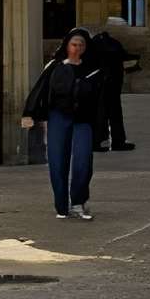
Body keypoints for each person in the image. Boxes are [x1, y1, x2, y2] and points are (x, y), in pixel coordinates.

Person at [21, 27, 102, 221]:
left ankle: (78, 202)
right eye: (74, 44)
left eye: (81, 45)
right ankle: (62, 206)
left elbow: (100, 99)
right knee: (57, 160)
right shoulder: (55, 66)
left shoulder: (93, 68)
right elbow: (40, 89)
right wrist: (29, 113)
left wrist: (102, 126)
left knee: (83, 160)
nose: (77, 48)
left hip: (83, 118)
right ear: (67, 45)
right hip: (59, 116)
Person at [84, 22, 136, 152]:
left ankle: (97, 142)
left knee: (99, 112)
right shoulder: (115, 43)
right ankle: (118, 142)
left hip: (98, 82)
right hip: (113, 82)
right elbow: (125, 58)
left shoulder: (94, 44)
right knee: (115, 113)